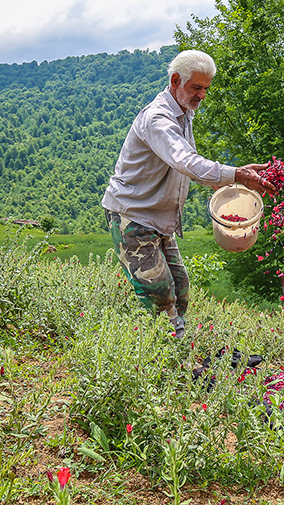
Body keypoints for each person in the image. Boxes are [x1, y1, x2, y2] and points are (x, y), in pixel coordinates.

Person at [101, 50, 274, 338]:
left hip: (160, 220)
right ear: (176, 81)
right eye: (196, 87)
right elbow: (186, 161)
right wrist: (236, 174)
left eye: (206, 88)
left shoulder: (185, 113)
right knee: (159, 295)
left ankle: (174, 350)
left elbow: (186, 163)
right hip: (133, 217)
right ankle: (170, 360)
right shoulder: (158, 119)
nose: (202, 95)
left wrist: (226, 178)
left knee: (179, 290)